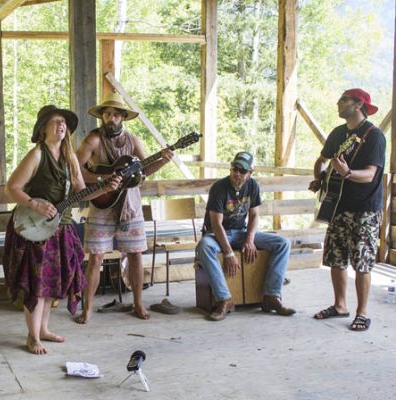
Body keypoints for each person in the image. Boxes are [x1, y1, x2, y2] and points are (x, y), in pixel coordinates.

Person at [2, 105, 120, 354]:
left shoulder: (70, 159)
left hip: (60, 227)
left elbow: (80, 191)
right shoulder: (36, 155)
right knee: (36, 284)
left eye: (63, 122)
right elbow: (12, 187)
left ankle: (43, 329)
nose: (61, 125)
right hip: (34, 230)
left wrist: (106, 187)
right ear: (43, 128)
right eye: (54, 121)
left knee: (51, 283)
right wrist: (35, 204)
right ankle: (33, 336)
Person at [74, 92, 174, 323]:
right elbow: (74, 168)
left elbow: (144, 170)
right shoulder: (93, 140)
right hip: (102, 205)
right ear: (102, 117)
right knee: (96, 257)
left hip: (130, 205)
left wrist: (163, 160)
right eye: (107, 114)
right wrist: (104, 178)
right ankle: (87, 308)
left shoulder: (133, 141)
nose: (111, 118)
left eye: (116, 115)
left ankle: (138, 303)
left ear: (123, 118)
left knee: (136, 254)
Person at [309, 88, 385, 332]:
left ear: (359, 104)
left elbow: (371, 174)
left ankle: (362, 313)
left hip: (365, 209)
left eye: (343, 100)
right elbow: (321, 160)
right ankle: (340, 305)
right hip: (338, 205)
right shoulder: (338, 133)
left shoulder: (374, 136)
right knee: (335, 257)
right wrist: (320, 178)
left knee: (362, 261)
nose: (338, 103)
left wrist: (348, 173)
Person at [196, 151, 295, 321]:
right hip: (218, 234)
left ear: (250, 173)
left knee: (283, 243)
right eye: (235, 168)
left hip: (241, 232)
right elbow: (216, 224)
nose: (237, 173)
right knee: (204, 246)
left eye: (242, 171)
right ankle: (224, 299)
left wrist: (249, 239)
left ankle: (271, 296)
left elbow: (255, 215)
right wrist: (228, 253)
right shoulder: (219, 188)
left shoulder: (253, 186)